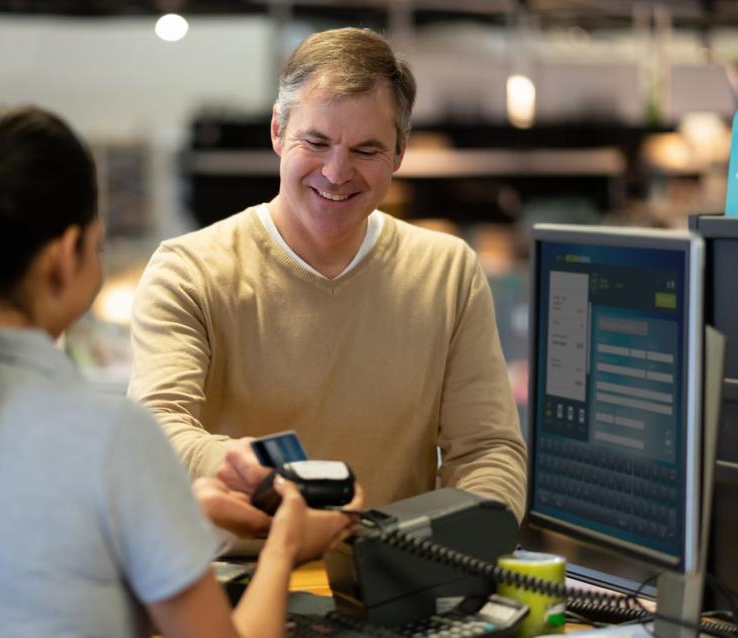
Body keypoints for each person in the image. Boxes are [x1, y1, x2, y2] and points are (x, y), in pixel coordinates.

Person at [0, 105, 358, 638]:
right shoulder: (113, 436)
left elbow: (23, 583)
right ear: (64, 255)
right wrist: (285, 543)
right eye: (98, 244)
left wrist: (177, 522)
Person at [128, 27, 528, 524]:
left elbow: (487, 449)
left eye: (366, 150)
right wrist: (241, 469)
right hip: (241, 581)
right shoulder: (189, 271)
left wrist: (468, 543)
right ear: (278, 131)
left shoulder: (447, 272)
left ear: (400, 153)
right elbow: (155, 428)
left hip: (396, 579)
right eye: (316, 142)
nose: (337, 172)